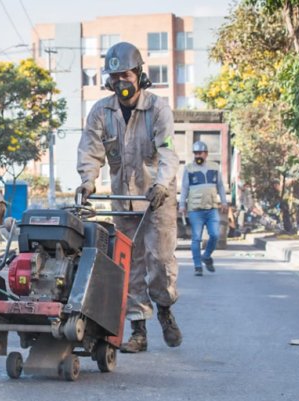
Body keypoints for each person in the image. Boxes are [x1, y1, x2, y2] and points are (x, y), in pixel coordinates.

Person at [76, 41, 181, 352]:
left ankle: (164, 309)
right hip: (124, 202)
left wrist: (161, 184)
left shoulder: (157, 108)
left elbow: (169, 152)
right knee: (130, 267)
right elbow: (90, 151)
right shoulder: (101, 112)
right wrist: (87, 182)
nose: (120, 82)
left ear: (139, 74)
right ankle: (139, 330)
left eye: (125, 75)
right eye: (114, 77)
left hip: (157, 198)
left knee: (159, 262)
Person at [179, 141, 228, 276]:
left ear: (206, 154)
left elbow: (221, 186)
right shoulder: (189, 168)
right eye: (195, 153)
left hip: (212, 209)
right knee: (196, 238)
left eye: (200, 153)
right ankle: (197, 266)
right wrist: (182, 204)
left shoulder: (214, 167)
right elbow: (184, 187)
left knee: (214, 234)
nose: (197, 155)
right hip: (195, 210)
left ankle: (206, 256)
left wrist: (224, 202)